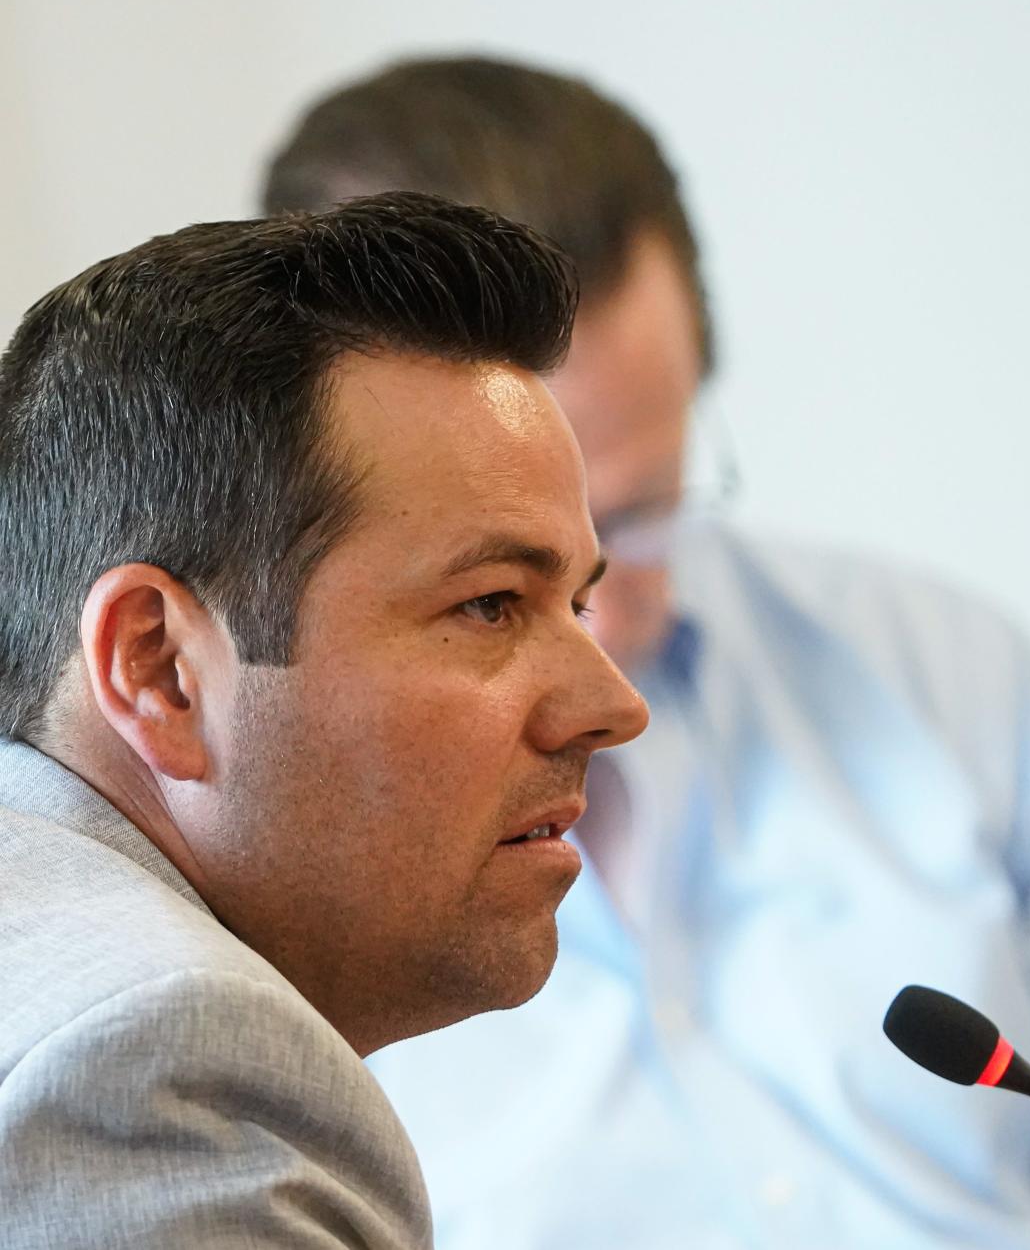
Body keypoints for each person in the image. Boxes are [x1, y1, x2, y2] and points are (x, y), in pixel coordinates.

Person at [262, 60, 1030, 1248]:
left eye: (640, 520)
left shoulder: (940, 667)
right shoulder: (244, 904)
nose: (604, 643)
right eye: (500, 589)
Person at [0, 191, 647, 1247]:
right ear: (159, 668)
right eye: (490, 603)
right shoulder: (158, 1062)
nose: (614, 708)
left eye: (575, 604)